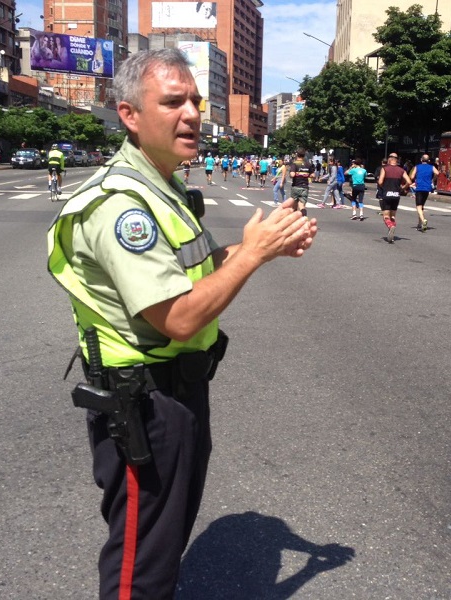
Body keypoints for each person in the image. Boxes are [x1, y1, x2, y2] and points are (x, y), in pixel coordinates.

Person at [46, 48, 317, 600]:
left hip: (178, 391)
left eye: (194, 99)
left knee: (163, 546)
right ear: (129, 114)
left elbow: (191, 271)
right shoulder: (121, 205)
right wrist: (254, 256)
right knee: (140, 566)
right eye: (173, 102)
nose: (191, 113)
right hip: (143, 404)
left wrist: (259, 245)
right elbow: (179, 315)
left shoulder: (161, 184)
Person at [377, 152, 412, 243]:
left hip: (387, 194)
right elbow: (409, 181)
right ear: (397, 160)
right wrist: (402, 188)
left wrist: (384, 186)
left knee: (386, 216)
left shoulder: (385, 169)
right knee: (393, 216)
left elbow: (380, 181)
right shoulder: (401, 170)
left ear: (389, 159)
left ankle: (390, 227)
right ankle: (391, 233)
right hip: (396, 195)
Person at [410, 153, 437, 232]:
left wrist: (416, 179)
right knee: (421, 206)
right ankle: (419, 224)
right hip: (427, 188)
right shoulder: (431, 167)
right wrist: (432, 179)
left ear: (421, 160)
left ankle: (423, 220)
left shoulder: (417, 167)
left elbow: (411, 176)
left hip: (419, 188)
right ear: (428, 160)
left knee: (418, 206)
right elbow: (437, 173)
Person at [288, 148, 315, 217]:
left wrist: (296, 173)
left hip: (296, 186)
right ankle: (304, 218)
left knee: (294, 207)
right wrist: (306, 174)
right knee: (302, 205)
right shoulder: (308, 164)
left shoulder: (295, 164)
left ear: (297, 154)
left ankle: (293, 221)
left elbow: (292, 175)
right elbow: (313, 175)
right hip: (305, 187)